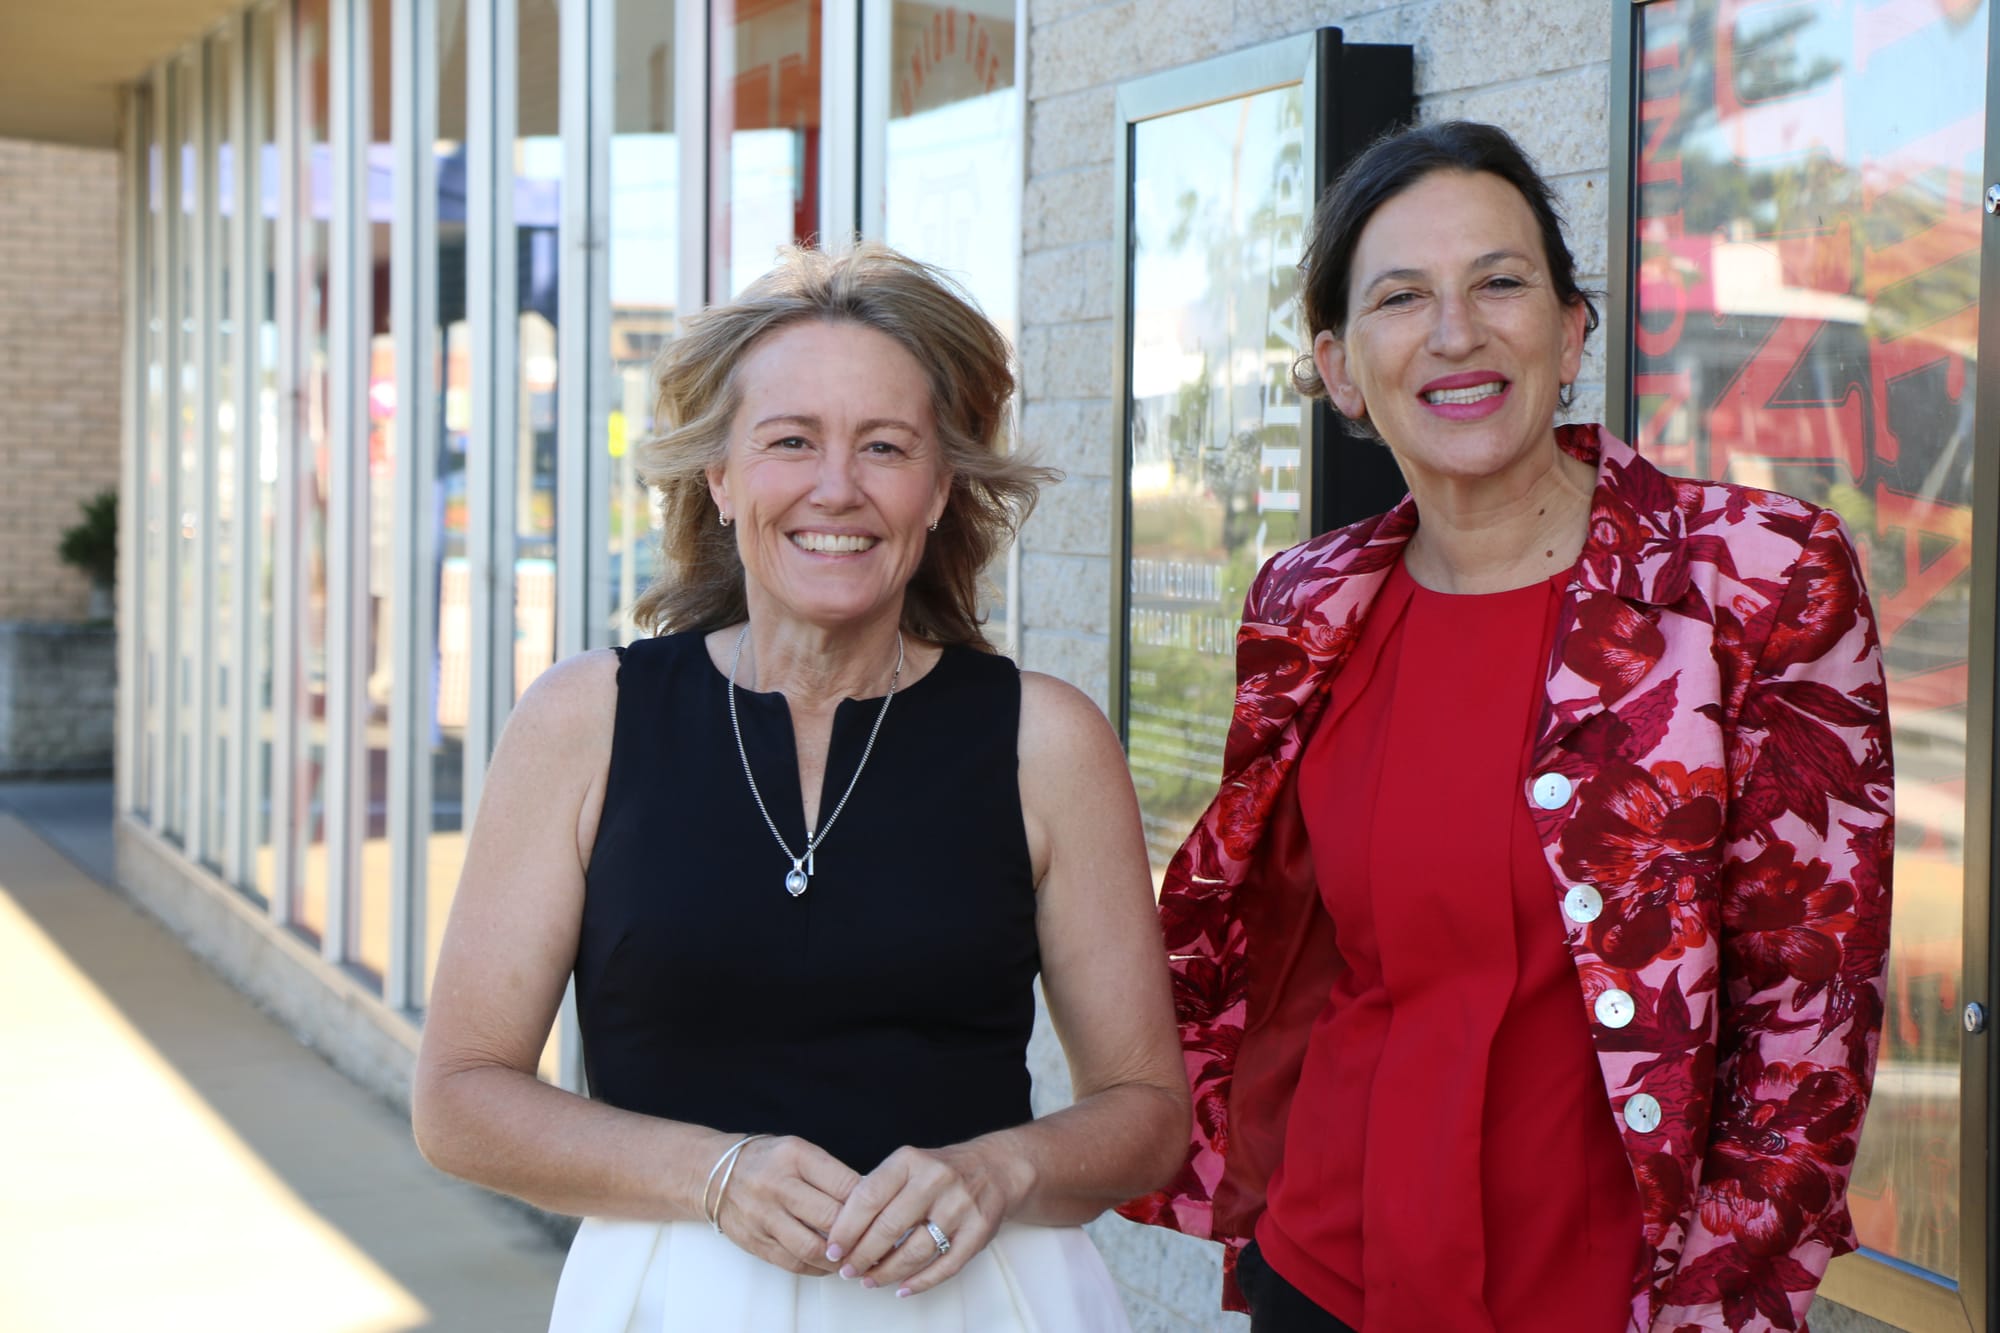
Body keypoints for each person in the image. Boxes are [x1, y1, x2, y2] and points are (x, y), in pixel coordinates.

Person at [1118, 121, 1894, 1333]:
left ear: (1571, 327)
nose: (1453, 331)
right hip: (1326, 1272)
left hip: (1608, 1299)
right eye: (1399, 297)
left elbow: (1810, 1006)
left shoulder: (1752, 579)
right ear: (1336, 367)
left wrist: (1716, 1301)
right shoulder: (1303, 601)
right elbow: (1263, 938)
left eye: (1497, 281)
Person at [413, 242, 1189, 1333]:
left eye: (884, 446)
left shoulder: (1042, 740)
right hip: (669, 1303)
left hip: (976, 1304)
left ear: (937, 489)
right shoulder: (585, 721)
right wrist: (714, 1171)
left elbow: (1148, 1114)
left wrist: (998, 1171)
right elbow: (460, 1100)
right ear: (720, 479)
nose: (838, 487)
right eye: (790, 441)